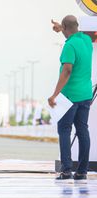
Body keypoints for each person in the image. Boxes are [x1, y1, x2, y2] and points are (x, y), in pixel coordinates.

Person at [49, 16, 93, 182]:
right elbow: (74, 34)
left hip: (69, 96)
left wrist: (54, 95)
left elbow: (67, 70)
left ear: (66, 28)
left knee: (64, 129)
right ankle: (82, 172)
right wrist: (62, 28)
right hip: (85, 95)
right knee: (83, 131)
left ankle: (66, 170)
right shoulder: (86, 40)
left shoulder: (69, 46)